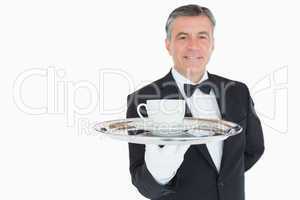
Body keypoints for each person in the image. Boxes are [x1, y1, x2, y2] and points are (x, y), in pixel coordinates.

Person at [126, 4, 264, 200]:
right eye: (183, 37)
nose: (193, 46)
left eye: (202, 36)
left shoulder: (238, 91)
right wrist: (160, 173)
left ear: (212, 43)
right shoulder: (142, 99)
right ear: (168, 44)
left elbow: (253, 149)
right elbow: (143, 183)